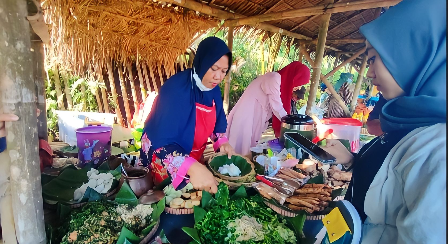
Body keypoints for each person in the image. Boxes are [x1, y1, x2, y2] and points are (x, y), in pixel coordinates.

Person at [323, 0, 446, 243]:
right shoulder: (409, 121)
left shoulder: (438, 149)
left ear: (409, 55)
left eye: (373, 58)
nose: (369, 72)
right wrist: (351, 161)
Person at [141, 37, 235, 194]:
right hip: (162, 156)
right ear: (202, 62)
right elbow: (161, 141)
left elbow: (215, 123)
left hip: (191, 155)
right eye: (213, 68)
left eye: (223, 71)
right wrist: (190, 166)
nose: (218, 77)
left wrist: (222, 142)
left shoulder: (213, 90)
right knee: (164, 197)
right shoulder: (175, 89)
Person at [226, 61, 310, 156]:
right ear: (294, 76)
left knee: (248, 146)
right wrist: (291, 124)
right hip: (248, 113)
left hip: (256, 115)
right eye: (299, 82)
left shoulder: (280, 82)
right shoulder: (274, 78)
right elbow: (277, 107)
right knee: (240, 146)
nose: (298, 87)